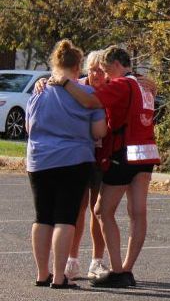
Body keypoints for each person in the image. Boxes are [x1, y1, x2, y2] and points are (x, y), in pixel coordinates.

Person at [51, 45, 160, 289]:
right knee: (138, 212)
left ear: (117, 65)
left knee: (102, 210)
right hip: (147, 153)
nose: (105, 74)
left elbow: (91, 101)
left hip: (123, 153)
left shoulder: (121, 84)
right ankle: (128, 269)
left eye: (107, 68)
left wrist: (64, 83)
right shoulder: (145, 85)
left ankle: (118, 269)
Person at [26, 40, 107, 290]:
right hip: (74, 159)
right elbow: (99, 131)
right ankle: (60, 277)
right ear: (77, 67)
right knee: (65, 219)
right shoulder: (88, 96)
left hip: (39, 160)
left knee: (43, 218)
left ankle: (42, 274)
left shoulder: (38, 91)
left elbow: (29, 128)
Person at [63, 51, 110, 281]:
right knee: (77, 208)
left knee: (98, 209)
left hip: (103, 157)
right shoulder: (76, 87)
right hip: (80, 155)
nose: (96, 74)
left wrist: (148, 83)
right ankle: (71, 260)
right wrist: (42, 81)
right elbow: (56, 82)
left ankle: (96, 261)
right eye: (92, 69)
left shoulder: (113, 90)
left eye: (101, 70)